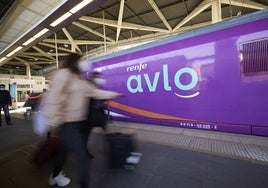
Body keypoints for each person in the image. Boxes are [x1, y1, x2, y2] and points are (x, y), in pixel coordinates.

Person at [44, 53, 121, 188]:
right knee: (82, 156)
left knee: (62, 152)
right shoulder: (63, 74)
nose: (85, 63)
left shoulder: (80, 80)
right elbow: (53, 98)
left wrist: (114, 94)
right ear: (75, 61)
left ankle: (54, 176)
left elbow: (95, 92)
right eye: (82, 60)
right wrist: (53, 121)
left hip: (77, 124)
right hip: (66, 124)